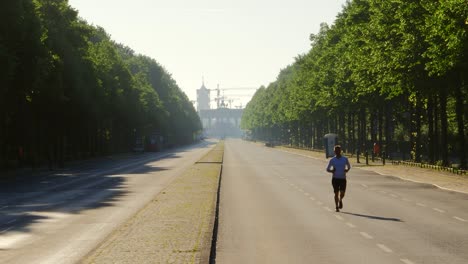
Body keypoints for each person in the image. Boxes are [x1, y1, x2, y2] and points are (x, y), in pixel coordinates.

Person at [326, 145, 351, 212]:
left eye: (338, 150)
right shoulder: (332, 160)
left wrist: (347, 170)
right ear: (334, 151)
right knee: (336, 193)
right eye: (336, 150)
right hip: (335, 179)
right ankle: (336, 207)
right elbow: (327, 169)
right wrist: (332, 171)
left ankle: (340, 200)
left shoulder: (345, 159)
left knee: (342, 193)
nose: (337, 152)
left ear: (340, 151)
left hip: (343, 178)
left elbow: (349, 166)